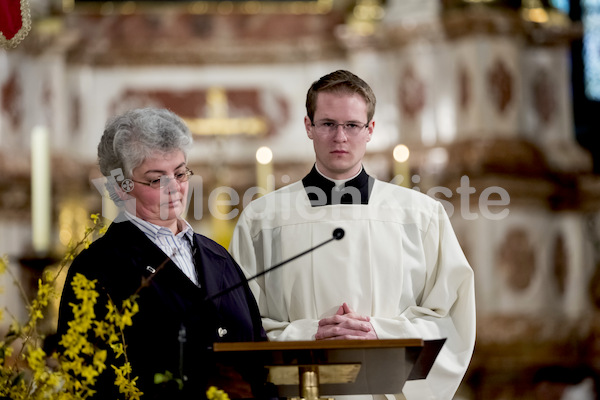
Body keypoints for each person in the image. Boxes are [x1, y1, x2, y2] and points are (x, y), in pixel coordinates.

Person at [229, 70, 476, 400]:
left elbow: (451, 319)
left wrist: (381, 335)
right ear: (308, 127)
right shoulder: (262, 220)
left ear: (370, 129)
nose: (340, 137)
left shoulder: (420, 215)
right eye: (328, 124)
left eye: (352, 125)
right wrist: (308, 336)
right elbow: (240, 323)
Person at [57, 108, 267, 399]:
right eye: (156, 179)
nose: (175, 188)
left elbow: (261, 355)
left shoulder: (218, 257)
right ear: (121, 185)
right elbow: (88, 382)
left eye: (180, 173)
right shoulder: (97, 268)